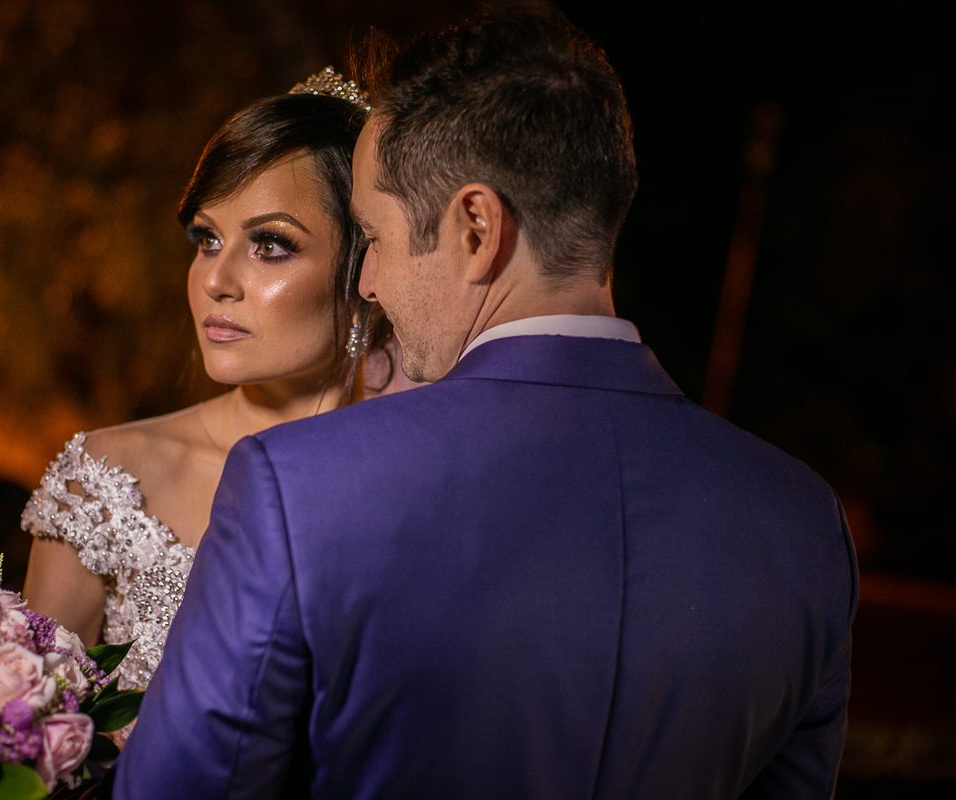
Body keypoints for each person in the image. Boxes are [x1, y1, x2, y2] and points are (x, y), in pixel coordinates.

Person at [111, 7, 857, 800]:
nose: (367, 284)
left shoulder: (299, 486)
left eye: (376, 236)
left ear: (475, 228)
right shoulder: (804, 522)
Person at [19, 73, 406, 706]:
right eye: (207, 239)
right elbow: (28, 750)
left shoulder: (423, 472)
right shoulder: (105, 482)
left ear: (366, 268)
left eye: (271, 244)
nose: (216, 280)